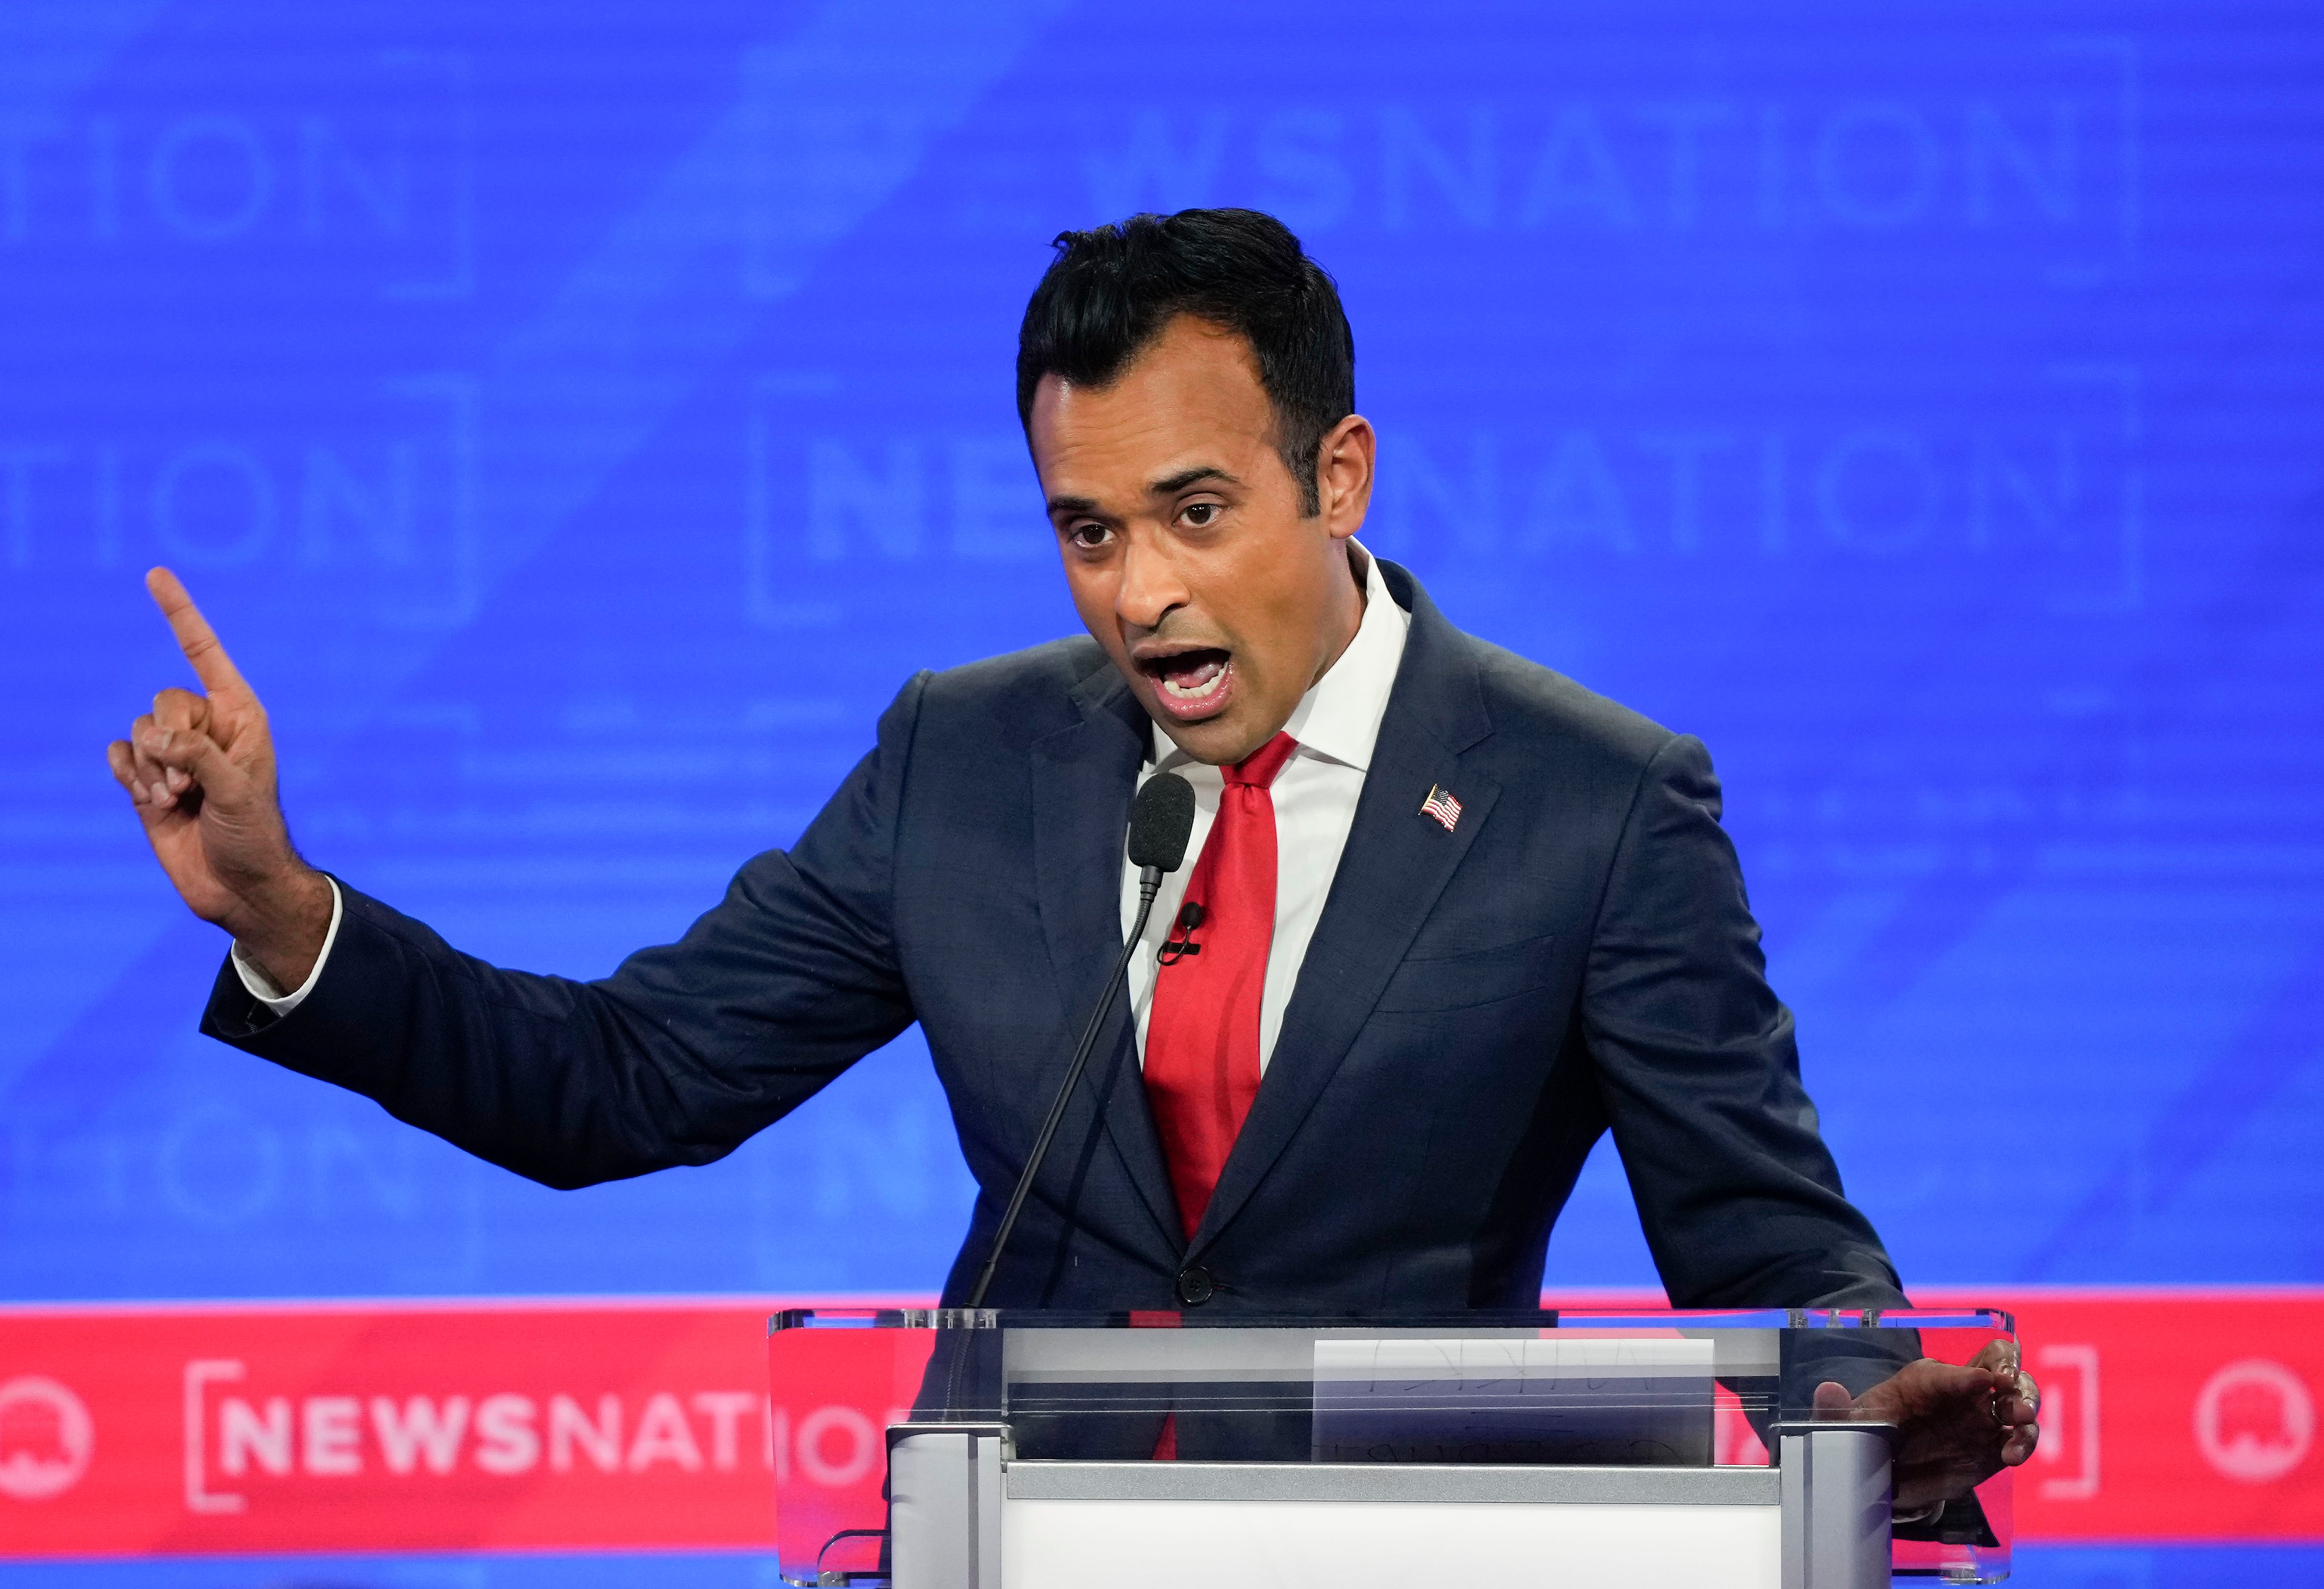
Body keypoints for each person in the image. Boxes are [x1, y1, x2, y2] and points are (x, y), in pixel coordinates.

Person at [108, 207, 2033, 1513]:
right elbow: (629, 1080)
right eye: (1089, 530)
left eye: (1197, 513)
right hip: (1007, 1533)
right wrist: (283, 911)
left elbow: (1770, 1241)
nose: (1143, 593)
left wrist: (1876, 1399)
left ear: (1336, 477)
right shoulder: (971, 756)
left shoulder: (1595, 805)